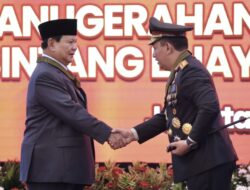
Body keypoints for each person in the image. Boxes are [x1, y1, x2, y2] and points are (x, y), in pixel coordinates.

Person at [111, 17, 238, 190]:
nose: (154, 55)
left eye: (155, 48)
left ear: (168, 47)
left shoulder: (191, 71)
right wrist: (132, 134)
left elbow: (209, 107)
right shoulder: (181, 72)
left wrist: (190, 141)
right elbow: (167, 116)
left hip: (208, 162)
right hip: (203, 163)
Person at [20, 19, 124, 190]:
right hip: (51, 171)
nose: (75, 47)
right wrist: (108, 134)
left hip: (60, 170)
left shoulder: (55, 72)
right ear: (52, 44)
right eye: (70, 42)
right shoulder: (45, 75)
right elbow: (73, 113)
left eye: (76, 42)